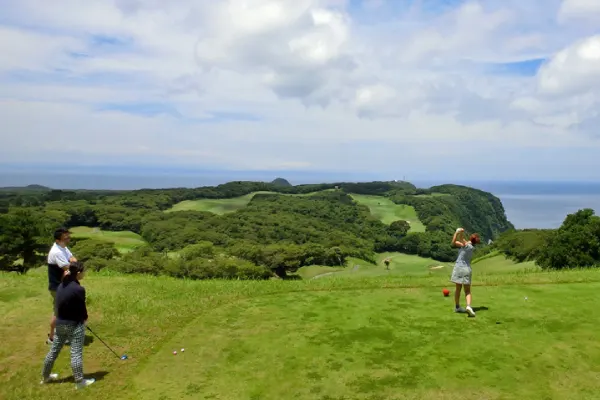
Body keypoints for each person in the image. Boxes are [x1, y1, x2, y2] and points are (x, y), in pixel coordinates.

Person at [40, 261, 96, 389]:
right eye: (84, 271)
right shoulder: (79, 289)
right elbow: (82, 307)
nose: (85, 273)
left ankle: (45, 377)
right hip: (74, 324)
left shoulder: (61, 286)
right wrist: (84, 318)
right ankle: (80, 382)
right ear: (78, 273)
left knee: (53, 351)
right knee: (76, 353)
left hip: (60, 324)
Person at [47, 227, 77, 345]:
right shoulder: (57, 251)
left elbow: (72, 259)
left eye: (68, 236)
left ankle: (56, 336)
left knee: (62, 311)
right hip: (57, 287)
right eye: (66, 237)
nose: (68, 238)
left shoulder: (63, 247)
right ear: (58, 240)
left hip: (63, 285)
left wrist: (73, 264)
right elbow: (69, 267)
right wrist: (74, 265)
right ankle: (53, 338)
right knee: (59, 313)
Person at [450, 227, 481, 317]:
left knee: (458, 289)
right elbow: (454, 242)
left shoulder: (466, 245)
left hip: (458, 268)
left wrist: (459, 232)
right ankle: (468, 306)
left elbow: (458, 240)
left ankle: (457, 307)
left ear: (471, 238)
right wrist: (458, 233)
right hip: (466, 269)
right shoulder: (469, 247)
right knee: (467, 290)